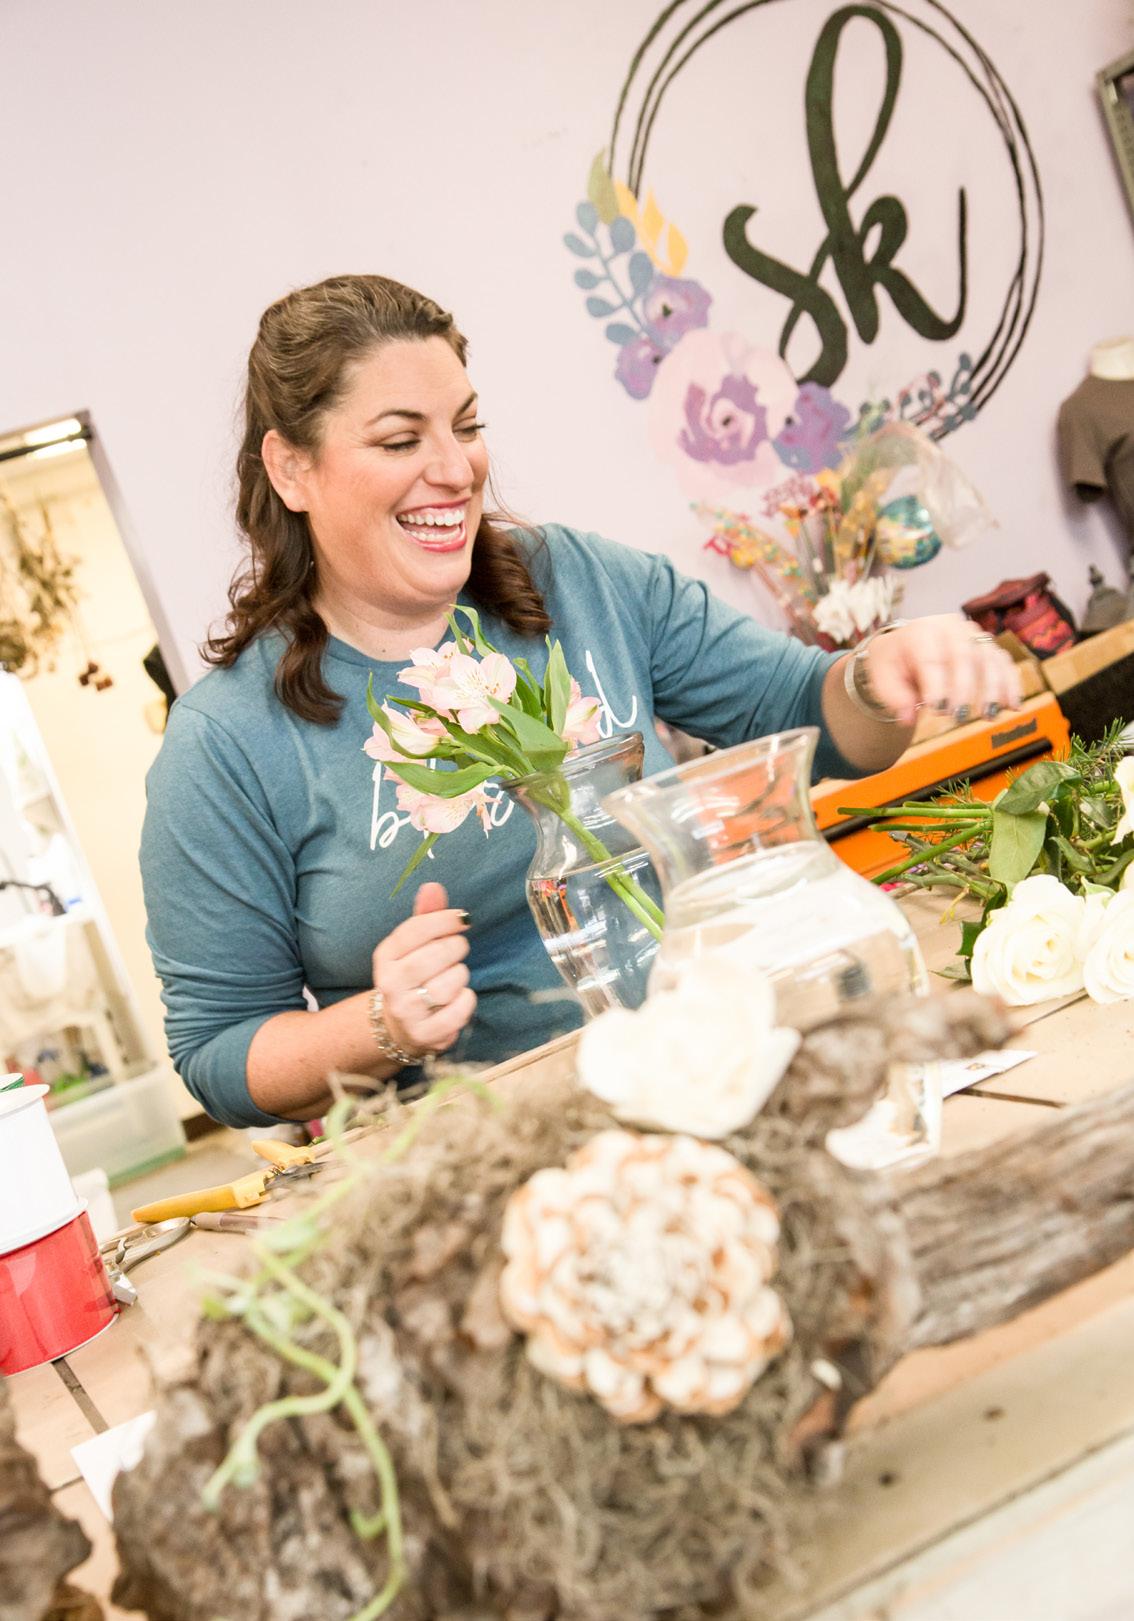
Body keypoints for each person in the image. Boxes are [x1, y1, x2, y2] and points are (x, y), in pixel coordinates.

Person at [140, 274, 1021, 1128]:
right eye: (400, 441)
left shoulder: (581, 582)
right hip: (495, 1154)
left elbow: (810, 720)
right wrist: (383, 1024)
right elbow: (218, 1050)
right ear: (292, 469)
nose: (454, 468)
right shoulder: (225, 742)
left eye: (467, 427)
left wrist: (877, 675)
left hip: (722, 1075)